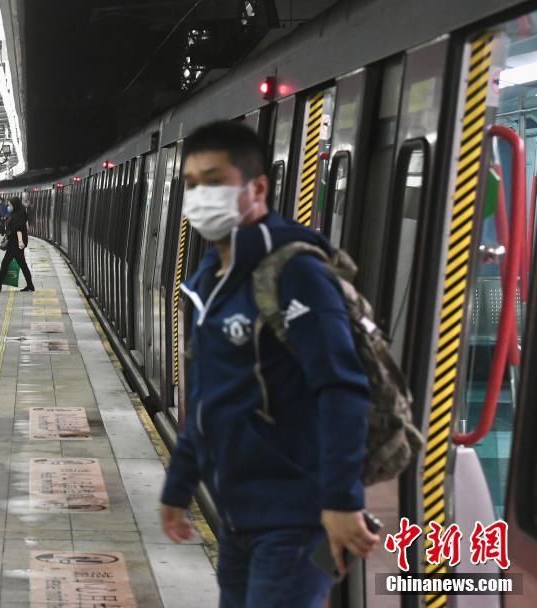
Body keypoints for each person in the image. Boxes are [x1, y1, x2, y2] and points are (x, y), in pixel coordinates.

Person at [159, 121, 379, 608]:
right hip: (239, 514)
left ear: (256, 187)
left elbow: (341, 388)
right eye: (191, 185)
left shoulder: (294, 271)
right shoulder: (206, 281)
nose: (199, 197)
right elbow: (206, 399)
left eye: (213, 182)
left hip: (298, 521)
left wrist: (342, 500)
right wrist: (179, 485)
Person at [0, 196, 35, 292]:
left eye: (10, 205)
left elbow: (18, 229)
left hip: (16, 243)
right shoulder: (18, 212)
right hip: (14, 243)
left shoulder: (18, 215)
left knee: (12, 263)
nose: (8, 206)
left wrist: (20, 242)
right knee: (14, 263)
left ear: (14, 205)